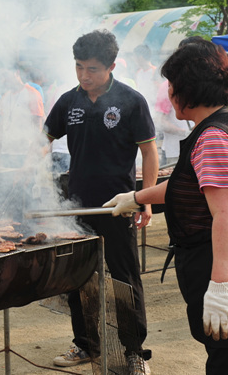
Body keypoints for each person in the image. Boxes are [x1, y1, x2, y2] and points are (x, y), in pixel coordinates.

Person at [104, 40, 228, 374]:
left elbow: (227, 212)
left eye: (171, 86)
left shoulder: (214, 137)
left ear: (187, 89)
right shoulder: (214, 125)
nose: (168, 95)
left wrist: (222, 286)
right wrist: (137, 197)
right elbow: (192, 185)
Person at [44, 30, 157, 374]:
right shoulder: (69, 101)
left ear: (110, 66)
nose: (83, 76)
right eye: (78, 67)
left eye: (91, 69)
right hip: (76, 205)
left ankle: (134, 350)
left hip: (118, 204)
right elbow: (43, 139)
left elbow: (149, 152)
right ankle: (86, 344)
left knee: (124, 279)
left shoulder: (131, 100)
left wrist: (146, 199)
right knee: (77, 277)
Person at [0, 65, 44, 168]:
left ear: (16, 73)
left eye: (6, 75)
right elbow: (1, 126)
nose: (3, 80)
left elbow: (38, 126)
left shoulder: (32, 94)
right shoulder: (5, 97)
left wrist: (35, 153)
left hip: (25, 152)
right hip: (6, 151)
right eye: (2, 77)